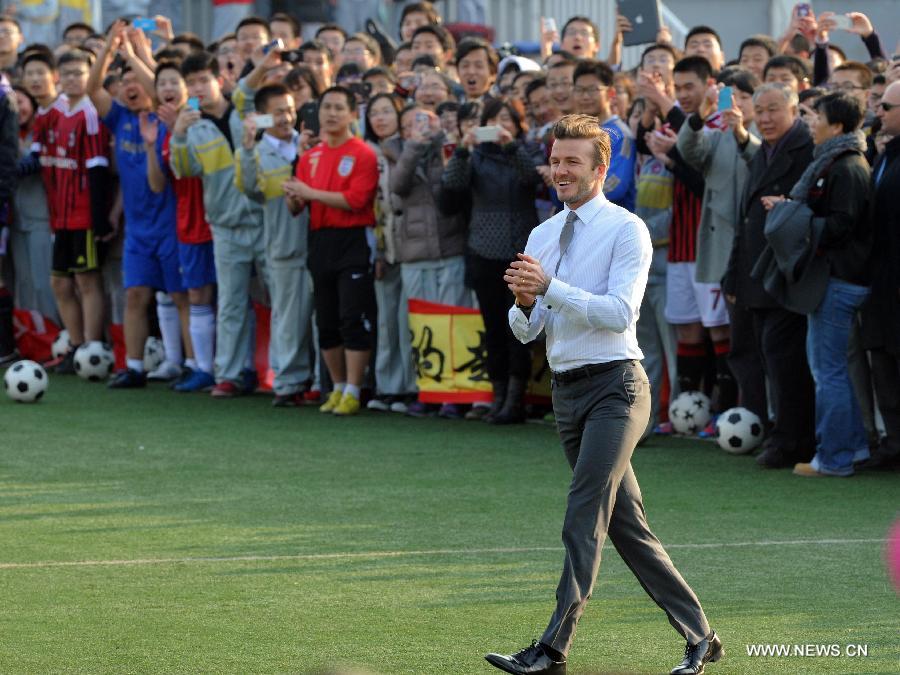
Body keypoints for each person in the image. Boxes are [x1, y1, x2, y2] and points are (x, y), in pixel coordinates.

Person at [489, 113, 720, 675]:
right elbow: (529, 329)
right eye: (555, 159)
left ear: (600, 169)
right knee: (626, 526)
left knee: (582, 511)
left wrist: (548, 288)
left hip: (618, 386)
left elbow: (621, 314)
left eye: (572, 161)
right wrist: (524, 303)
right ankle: (702, 636)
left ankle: (552, 649)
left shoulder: (626, 229)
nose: (560, 170)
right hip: (567, 393)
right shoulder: (542, 234)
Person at [89, 22, 191, 388]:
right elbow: (92, 88)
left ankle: (193, 365)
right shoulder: (120, 119)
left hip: (171, 224)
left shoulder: (167, 120)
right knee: (135, 295)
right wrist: (109, 49)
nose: (131, 86)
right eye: (125, 80)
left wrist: (133, 53)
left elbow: (160, 91)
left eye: (137, 79)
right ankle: (133, 367)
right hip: (138, 229)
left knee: (180, 295)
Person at [722, 82, 816, 468]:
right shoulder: (765, 150)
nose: (765, 118)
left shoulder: (805, 149)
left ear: (794, 108)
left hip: (788, 276)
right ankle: (782, 433)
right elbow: (746, 220)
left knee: (786, 361)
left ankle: (793, 439)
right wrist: (732, 274)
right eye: (759, 111)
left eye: (773, 109)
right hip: (754, 273)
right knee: (766, 357)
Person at [169, 50, 269, 398]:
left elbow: (255, 96)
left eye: (203, 80)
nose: (198, 87)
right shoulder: (191, 126)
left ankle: (292, 376)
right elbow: (183, 170)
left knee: (283, 299)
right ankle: (229, 373)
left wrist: (266, 61)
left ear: (219, 81)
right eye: (191, 83)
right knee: (230, 303)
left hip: (266, 219)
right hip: (226, 226)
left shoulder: (244, 107)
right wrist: (178, 136)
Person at [784, 92, 871, 477]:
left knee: (827, 370)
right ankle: (852, 449)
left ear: (836, 126)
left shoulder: (846, 166)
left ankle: (834, 458)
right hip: (836, 278)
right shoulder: (837, 161)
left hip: (838, 280)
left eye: (816, 115)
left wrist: (797, 216)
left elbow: (841, 225)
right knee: (833, 368)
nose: (809, 121)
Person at [441, 98, 544, 424]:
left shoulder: (527, 151)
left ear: (518, 124)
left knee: (519, 327)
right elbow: (451, 187)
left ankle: (515, 401)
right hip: (483, 250)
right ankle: (498, 396)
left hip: (519, 251)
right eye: (494, 121)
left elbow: (532, 179)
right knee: (493, 329)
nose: (501, 126)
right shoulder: (475, 156)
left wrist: (511, 146)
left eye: (508, 120)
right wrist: (462, 149)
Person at [283, 85, 379, 417]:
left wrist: (309, 192)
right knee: (325, 318)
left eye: (340, 107)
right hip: (319, 241)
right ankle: (337, 386)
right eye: (327, 107)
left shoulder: (363, 153)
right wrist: (295, 197)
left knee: (352, 315)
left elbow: (356, 201)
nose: (332, 113)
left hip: (352, 240)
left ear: (353, 113)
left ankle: (354, 388)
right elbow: (298, 206)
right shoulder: (310, 156)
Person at [677, 68, 761, 422]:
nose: (736, 105)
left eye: (743, 97)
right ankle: (730, 411)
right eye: (731, 97)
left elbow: (758, 161)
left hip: (755, 248)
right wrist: (700, 114)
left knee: (751, 337)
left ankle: (752, 411)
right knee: (729, 334)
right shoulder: (717, 133)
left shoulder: (762, 136)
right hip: (722, 248)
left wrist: (742, 132)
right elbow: (688, 150)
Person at [30, 49, 110, 374]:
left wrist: (100, 216)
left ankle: (93, 348)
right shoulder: (54, 112)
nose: (73, 79)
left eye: (80, 73)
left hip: (82, 215)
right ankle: (76, 346)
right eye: (67, 74)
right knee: (60, 284)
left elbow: (98, 169)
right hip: (58, 216)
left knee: (86, 280)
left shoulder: (90, 115)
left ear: (90, 76)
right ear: (57, 79)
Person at [236, 83, 314, 407]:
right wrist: (249, 147)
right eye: (279, 111)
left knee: (320, 319)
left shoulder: (309, 144)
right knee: (288, 317)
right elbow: (250, 189)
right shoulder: (253, 152)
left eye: (290, 110)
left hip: (320, 242)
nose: (286, 117)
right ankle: (288, 382)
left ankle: (320, 381)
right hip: (284, 246)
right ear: (263, 116)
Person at [144, 60, 219, 393]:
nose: (169, 89)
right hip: (187, 221)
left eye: (176, 82)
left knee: (227, 294)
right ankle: (201, 366)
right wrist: (152, 145)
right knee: (196, 292)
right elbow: (160, 184)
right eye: (163, 84)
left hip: (217, 217)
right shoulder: (162, 128)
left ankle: (232, 368)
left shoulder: (203, 119)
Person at [363, 93, 417, 414]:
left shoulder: (408, 148)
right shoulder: (367, 153)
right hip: (383, 245)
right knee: (386, 321)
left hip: (410, 244)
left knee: (405, 319)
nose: (380, 118)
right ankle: (387, 386)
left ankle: (410, 387)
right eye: (374, 113)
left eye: (386, 111)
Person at [861, 81, 900, 470]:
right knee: (883, 365)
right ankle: (893, 445)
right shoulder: (884, 153)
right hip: (880, 282)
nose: (879, 113)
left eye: (887, 107)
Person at [572, 59, 635, 211]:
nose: (585, 96)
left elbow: (615, 185)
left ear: (611, 93)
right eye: (580, 90)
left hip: (612, 222)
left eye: (593, 89)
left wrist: (573, 191)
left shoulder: (621, 135)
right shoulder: (574, 132)